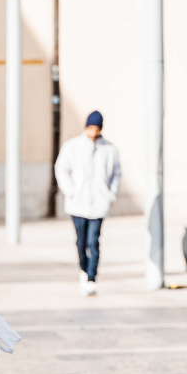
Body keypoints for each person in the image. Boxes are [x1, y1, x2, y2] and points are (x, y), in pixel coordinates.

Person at [54, 110, 121, 296]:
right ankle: (83, 270)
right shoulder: (72, 146)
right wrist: (71, 191)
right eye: (90, 127)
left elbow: (116, 174)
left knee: (94, 241)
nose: (93, 131)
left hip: (99, 203)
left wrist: (110, 195)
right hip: (78, 203)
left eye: (96, 128)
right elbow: (61, 169)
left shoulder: (109, 149)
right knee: (81, 241)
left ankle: (92, 278)